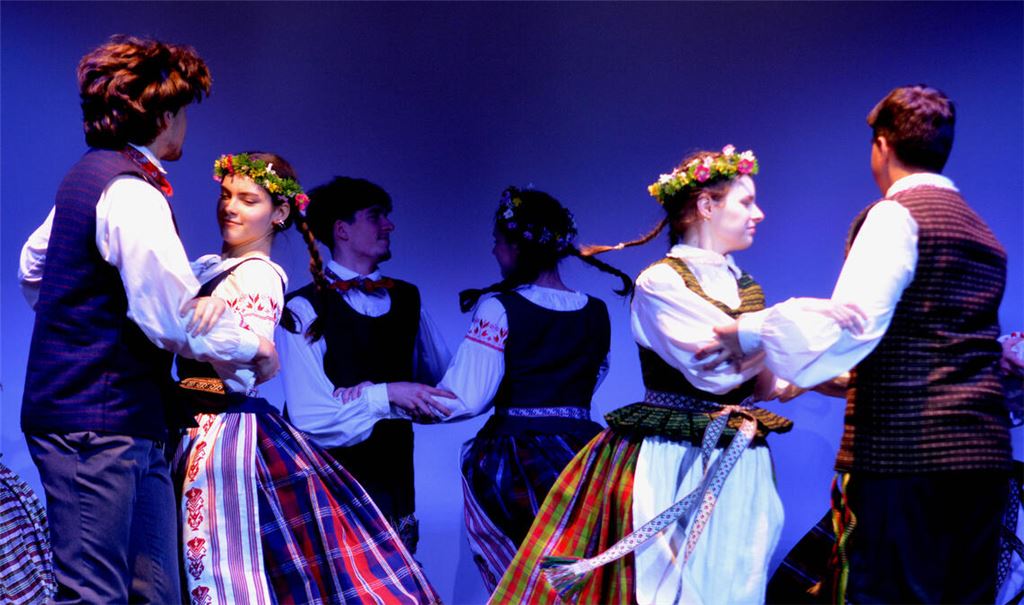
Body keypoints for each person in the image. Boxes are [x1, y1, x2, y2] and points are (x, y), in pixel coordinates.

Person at [490, 147, 862, 605]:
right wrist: (779, 338)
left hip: (741, 450)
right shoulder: (660, 283)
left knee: (736, 584)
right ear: (707, 206)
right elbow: (717, 374)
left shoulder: (745, 286)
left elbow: (762, 383)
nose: (759, 214)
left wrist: (769, 350)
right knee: (669, 586)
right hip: (676, 455)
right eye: (745, 202)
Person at [709, 85, 1012, 603]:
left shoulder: (896, 216)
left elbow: (852, 326)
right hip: (982, 455)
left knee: (888, 593)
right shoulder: (981, 233)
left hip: (908, 456)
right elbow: (926, 347)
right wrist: (803, 380)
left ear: (882, 145)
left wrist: (750, 331)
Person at [17, 35, 277, 604]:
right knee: (96, 595)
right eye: (182, 110)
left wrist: (88, 316)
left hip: (128, 419)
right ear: (162, 114)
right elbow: (172, 318)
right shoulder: (130, 192)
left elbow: (35, 268)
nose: (184, 123)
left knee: (154, 592)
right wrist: (255, 347)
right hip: (95, 424)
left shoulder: (91, 176)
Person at [173, 152, 440, 604]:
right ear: (341, 228)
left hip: (230, 430)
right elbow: (304, 406)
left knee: (238, 572)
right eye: (226, 195)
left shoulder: (258, 275)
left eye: (247, 198)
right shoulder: (283, 295)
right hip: (275, 444)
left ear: (278, 213)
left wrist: (389, 395)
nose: (229, 207)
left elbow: (232, 382)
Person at [339, 186, 632, 591]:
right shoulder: (597, 312)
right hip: (588, 460)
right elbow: (594, 376)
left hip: (518, 464)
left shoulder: (501, 308)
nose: (494, 252)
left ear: (517, 245)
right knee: (576, 580)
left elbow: (464, 400)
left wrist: (384, 397)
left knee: (524, 582)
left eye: (498, 242)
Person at [277, 176, 452, 555]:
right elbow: (309, 416)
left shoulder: (407, 298)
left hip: (394, 476)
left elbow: (442, 383)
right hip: (328, 481)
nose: (388, 226)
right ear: (342, 229)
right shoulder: (303, 307)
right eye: (375, 217)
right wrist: (384, 394)